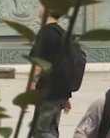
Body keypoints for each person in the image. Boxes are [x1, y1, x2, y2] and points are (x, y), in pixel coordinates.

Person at [28, 8, 72, 137]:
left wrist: (32, 86)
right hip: (60, 92)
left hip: (48, 92)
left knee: (42, 131)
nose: (39, 7)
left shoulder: (45, 33)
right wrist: (66, 96)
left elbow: (38, 65)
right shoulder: (62, 33)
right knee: (51, 129)